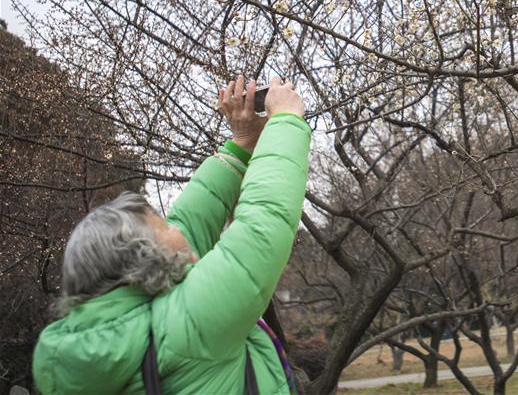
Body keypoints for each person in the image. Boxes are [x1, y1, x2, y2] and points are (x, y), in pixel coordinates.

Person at [32, 76, 311, 394]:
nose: (175, 227)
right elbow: (263, 223)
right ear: (146, 261)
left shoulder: (83, 348)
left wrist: (241, 144)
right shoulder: (188, 325)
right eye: (163, 226)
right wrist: (286, 120)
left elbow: (191, 222)